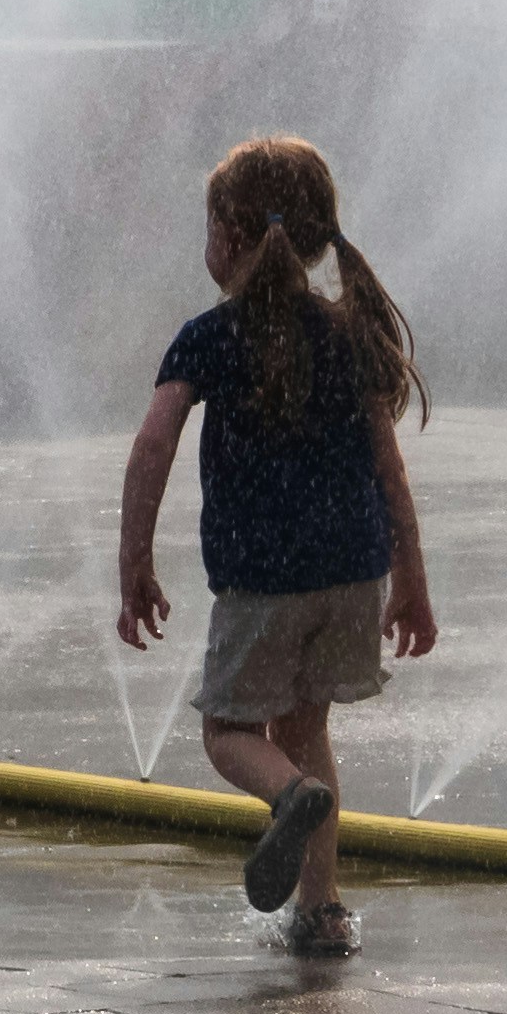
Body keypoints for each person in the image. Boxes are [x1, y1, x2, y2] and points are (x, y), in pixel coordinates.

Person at [118, 137, 437, 956]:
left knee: (230, 733)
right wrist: (412, 581)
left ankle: (290, 796)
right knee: (307, 728)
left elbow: (152, 446)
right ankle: (321, 911)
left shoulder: (208, 338)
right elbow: (389, 467)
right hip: (353, 574)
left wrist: (134, 564)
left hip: (263, 581)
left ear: (226, 235)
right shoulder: (351, 333)